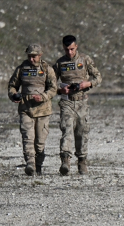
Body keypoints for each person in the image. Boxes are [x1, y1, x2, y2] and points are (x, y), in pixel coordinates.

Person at [52, 35, 102, 175]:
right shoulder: (60, 63)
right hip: (67, 101)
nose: (70, 52)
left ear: (76, 47)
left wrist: (88, 83)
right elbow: (50, 83)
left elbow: (98, 77)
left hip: (82, 102)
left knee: (82, 132)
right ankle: (65, 161)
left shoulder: (85, 60)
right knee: (66, 130)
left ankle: (82, 161)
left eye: (72, 49)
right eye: (67, 50)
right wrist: (60, 89)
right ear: (63, 48)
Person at [7, 44, 57, 176]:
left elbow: (53, 88)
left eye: (34, 56)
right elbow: (12, 86)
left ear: (40, 55)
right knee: (27, 138)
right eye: (29, 56)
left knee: (39, 142)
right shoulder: (22, 69)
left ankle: (38, 166)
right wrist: (13, 95)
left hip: (43, 111)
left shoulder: (47, 69)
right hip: (26, 109)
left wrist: (43, 97)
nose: (31, 59)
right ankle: (30, 164)